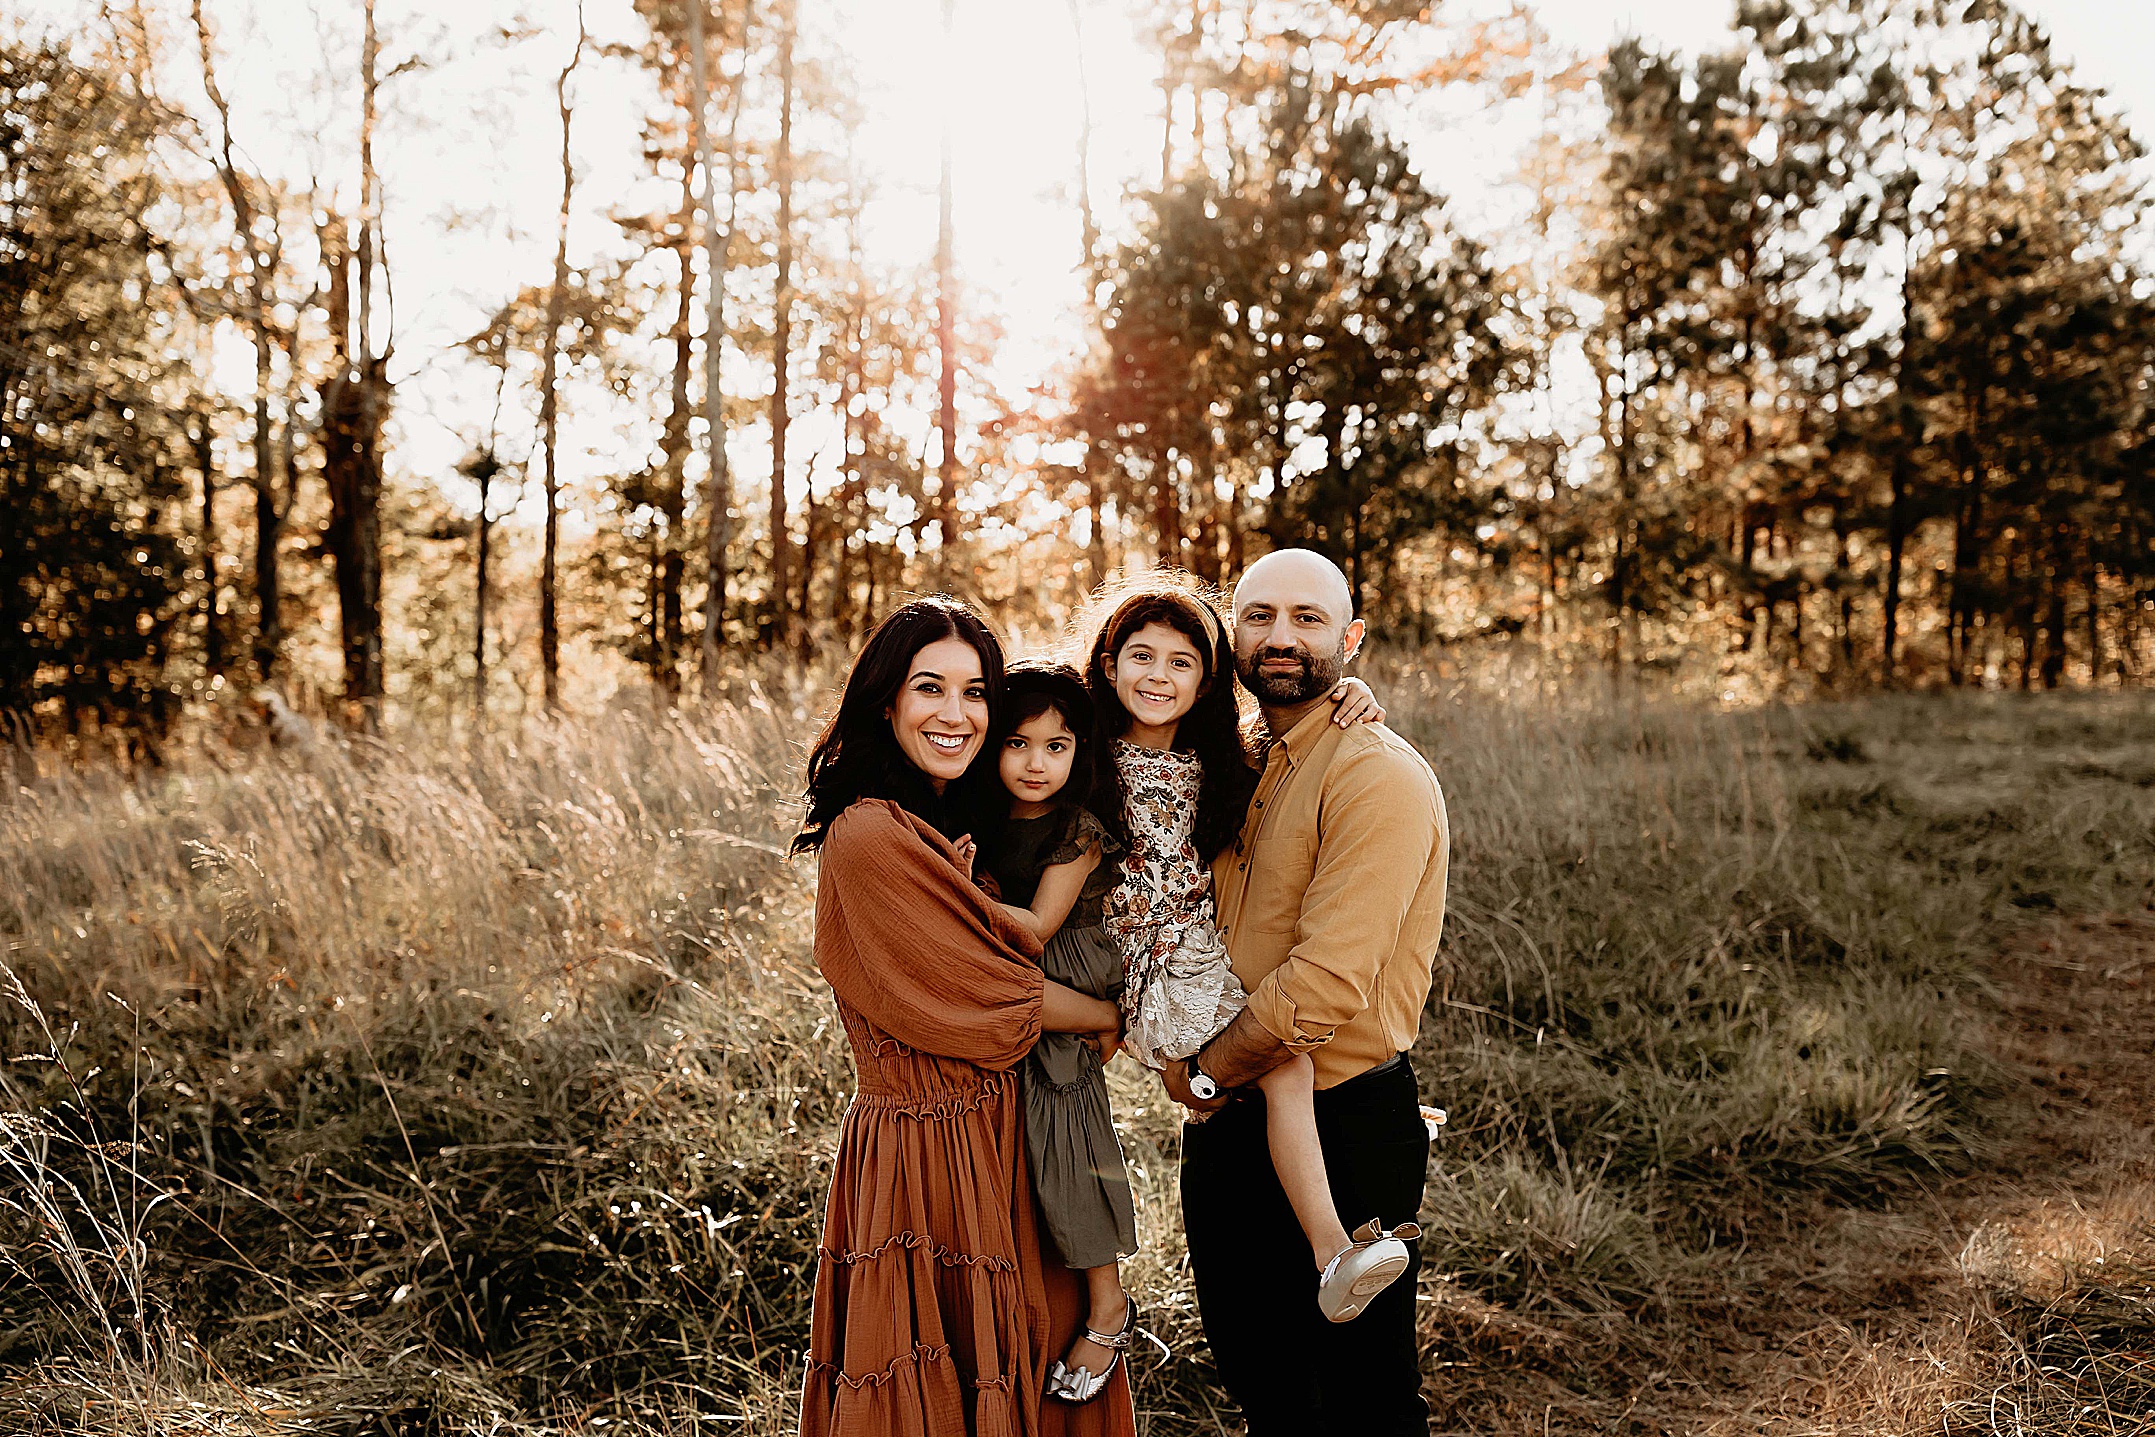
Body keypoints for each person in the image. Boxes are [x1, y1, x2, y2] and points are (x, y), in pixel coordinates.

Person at [793, 598, 1137, 1437]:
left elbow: (1126, 729)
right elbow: (985, 989)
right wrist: (1097, 1010)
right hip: (922, 1149)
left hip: (1003, 1128)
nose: (956, 714)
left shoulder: (958, 814)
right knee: (931, 1383)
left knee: (1031, 1371)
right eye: (929, 688)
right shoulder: (871, 832)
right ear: (886, 700)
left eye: (975, 691)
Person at [1056, 580, 1405, 1399]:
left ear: (1209, 679)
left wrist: (1347, 690)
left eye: (1181, 661)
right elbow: (1016, 746)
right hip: (1151, 960)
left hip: (1197, 959)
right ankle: (1330, 1250)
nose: (1157, 675)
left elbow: (1296, 733)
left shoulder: (1227, 757)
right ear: (1105, 666)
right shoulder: (1083, 754)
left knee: (1285, 1070)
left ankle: (1330, 1254)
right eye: (1138, 656)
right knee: (1284, 1068)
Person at [1163, 549, 1451, 1436]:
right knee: (1264, 1383)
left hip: (1346, 1123)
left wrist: (1204, 1069)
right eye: (1258, 617)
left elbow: (1323, 985)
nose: (1280, 637)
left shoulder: (1377, 775)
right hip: (1229, 1127)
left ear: (1350, 638)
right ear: (1230, 638)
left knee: (1362, 1397)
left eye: (1308, 618)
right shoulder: (1234, 756)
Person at [978, 664, 1141, 1404]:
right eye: (1017, 742)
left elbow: (1038, 926)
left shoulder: (1077, 830)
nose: (1035, 763)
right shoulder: (981, 816)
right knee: (1017, 1139)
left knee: (1069, 1131)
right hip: (1009, 974)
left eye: (1056, 745)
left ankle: (1108, 1304)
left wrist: (944, 889)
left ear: (1081, 752)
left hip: (1061, 967)